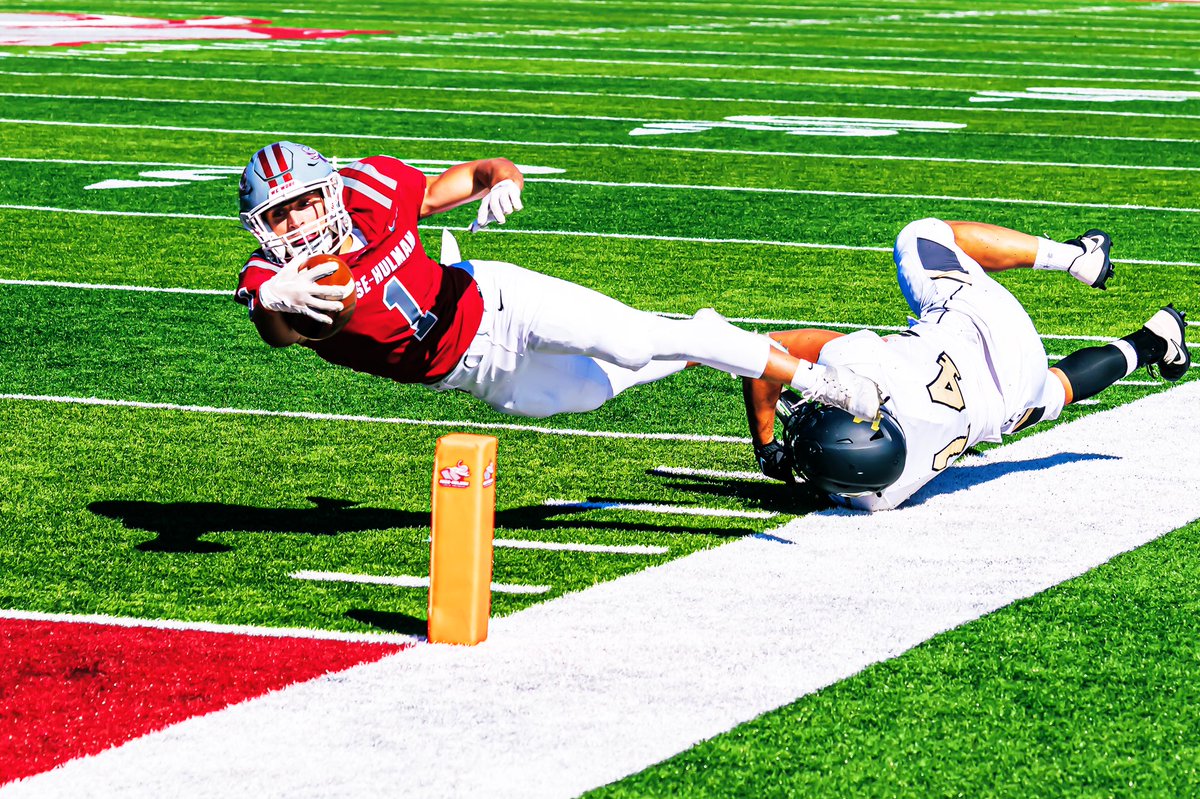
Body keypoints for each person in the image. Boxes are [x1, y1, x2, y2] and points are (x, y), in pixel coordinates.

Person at [234, 141, 881, 420]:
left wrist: (504, 182)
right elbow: (275, 332)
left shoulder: (371, 187)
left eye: (305, 203)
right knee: (602, 388)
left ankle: (822, 384)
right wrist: (272, 298)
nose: (296, 223)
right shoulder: (273, 280)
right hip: (473, 373)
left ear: (329, 190)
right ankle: (700, 339)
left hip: (494, 301)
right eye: (279, 214)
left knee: (630, 339)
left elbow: (472, 173)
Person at [743, 217, 1191, 511]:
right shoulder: (864, 374)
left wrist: (800, 465)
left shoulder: (878, 496)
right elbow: (770, 351)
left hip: (1006, 403)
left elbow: (842, 469)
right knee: (922, 236)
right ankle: (1077, 259)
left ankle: (1154, 342)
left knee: (1054, 391)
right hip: (983, 327)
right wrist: (765, 446)